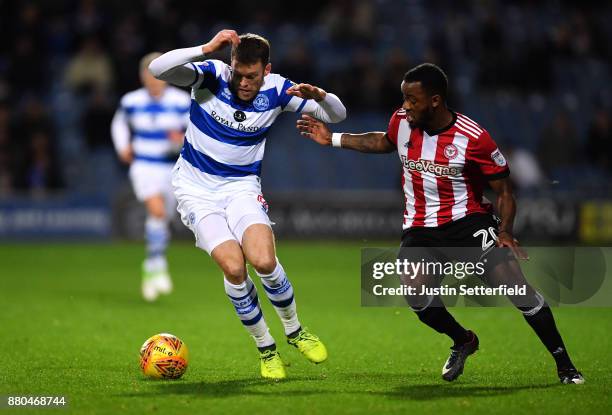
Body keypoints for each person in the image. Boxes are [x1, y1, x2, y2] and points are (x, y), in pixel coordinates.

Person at [296, 63, 584, 385]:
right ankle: (463, 340)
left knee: (516, 287)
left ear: (435, 100)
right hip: (419, 228)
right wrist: (333, 138)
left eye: (412, 99)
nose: (405, 105)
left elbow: (505, 191)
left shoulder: (474, 138)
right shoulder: (402, 122)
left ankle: (565, 366)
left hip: (467, 222)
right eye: (403, 98)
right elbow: (382, 141)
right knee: (417, 296)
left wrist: (504, 232)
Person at [148, 30, 346, 380]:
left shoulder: (278, 90)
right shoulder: (212, 75)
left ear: (266, 70)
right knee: (235, 269)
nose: (243, 82)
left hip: (241, 187)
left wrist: (323, 96)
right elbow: (159, 69)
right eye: (238, 73)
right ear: (231, 65)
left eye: (251, 76)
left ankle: (295, 330)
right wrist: (205, 49)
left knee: (264, 260)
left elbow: (337, 116)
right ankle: (266, 348)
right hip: (196, 189)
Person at [111, 52, 191, 302]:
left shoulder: (181, 101)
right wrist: (122, 146)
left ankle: (153, 265)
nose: (154, 81)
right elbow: (119, 124)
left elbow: (193, 130)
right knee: (156, 212)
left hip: (171, 167)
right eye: (150, 76)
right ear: (142, 76)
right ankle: (156, 264)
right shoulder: (131, 101)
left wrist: (181, 140)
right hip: (144, 165)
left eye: (158, 76)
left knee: (162, 219)